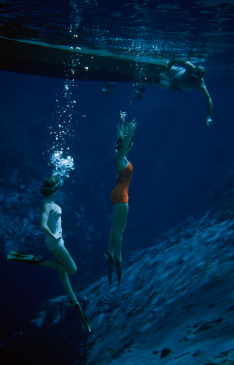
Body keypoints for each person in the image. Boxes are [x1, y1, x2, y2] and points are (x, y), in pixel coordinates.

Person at [7, 176, 91, 332]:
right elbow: (43, 226)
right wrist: (55, 237)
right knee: (72, 269)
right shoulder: (46, 204)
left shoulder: (49, 202)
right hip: (56, 243)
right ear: (55, 188)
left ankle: (72, 298)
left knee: (62, 269)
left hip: (56, 241)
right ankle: (40, 261)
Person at [105, 111, 137, 285]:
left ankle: (110, 251)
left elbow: (121, 138)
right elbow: (124, 143)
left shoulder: (120, 157)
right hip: (121, 196)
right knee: (120, 229)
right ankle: (118, 256)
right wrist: (131, 131)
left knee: (114, 226)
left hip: (118, 193)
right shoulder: (119, 158)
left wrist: (122, 122)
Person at [160, 60, 213, 126]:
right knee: (162, 68)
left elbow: (208, 100)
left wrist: (208, 116)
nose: (193, 78)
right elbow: (175, 59)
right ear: (194, 70)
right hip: (177, 73)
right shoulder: (191, 68)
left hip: (175, 86)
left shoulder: (200, 85)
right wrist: (166, 71)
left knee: (155, 82)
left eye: (196, 78)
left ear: (200, 78)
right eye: (194, 74)